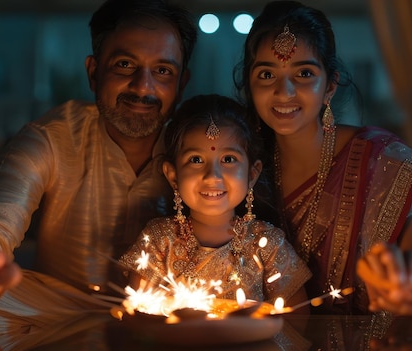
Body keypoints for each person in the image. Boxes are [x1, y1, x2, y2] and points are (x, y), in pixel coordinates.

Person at [0, 0, 198, 341]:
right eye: (125, 65)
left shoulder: (195, 148)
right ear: (93, 73)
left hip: (161, 315)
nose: (143, 87)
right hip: (58, 309)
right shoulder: (53, 137)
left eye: (162, 71)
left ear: (182, 82)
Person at [234, 0, 412, 324]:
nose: (284, 91)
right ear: (250, 86)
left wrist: (410, 277)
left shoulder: (378, 156)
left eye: (304, 73)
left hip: (380, 325)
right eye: (267, 74)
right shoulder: (244, 164)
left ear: (330, 86)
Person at [119, 94, 310, 307]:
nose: (212, 176)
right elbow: (138, 312)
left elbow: (297, 318)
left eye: (228, 159)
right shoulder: (158, 241)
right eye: (196, 160)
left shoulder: (268, 244)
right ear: (173, 175)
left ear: (252, 174)